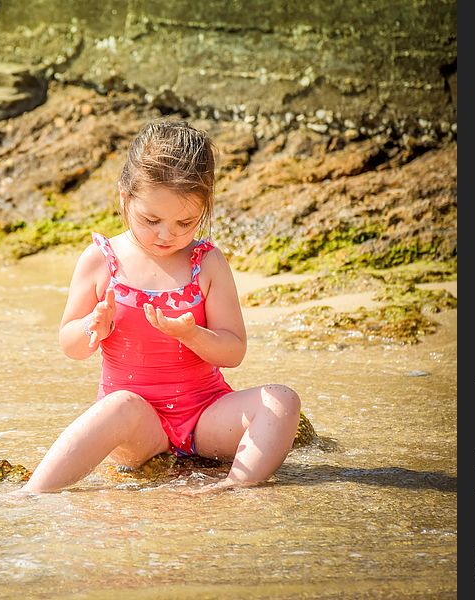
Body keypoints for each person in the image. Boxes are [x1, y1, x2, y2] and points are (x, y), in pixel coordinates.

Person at [20, 119, 301, 494]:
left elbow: (233, 350)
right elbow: (69, 345)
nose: (167, 234)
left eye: (185, 222)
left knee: (282, 400)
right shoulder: (101, 260)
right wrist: (93, 326)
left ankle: (237, 484)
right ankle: (32, 493)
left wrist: (192, 334)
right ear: (125, 198)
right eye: (151, 220)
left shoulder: (207, 263)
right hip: (138, 428)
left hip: (206, 416)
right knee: (120, 405)